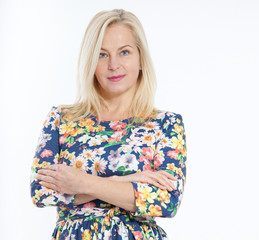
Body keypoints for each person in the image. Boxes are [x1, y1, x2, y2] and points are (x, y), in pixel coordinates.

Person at [30, 9, 187, 240]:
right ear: (90, 61)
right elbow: (41, 192)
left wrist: (80, 183)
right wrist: (125, 180)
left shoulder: (165, 124)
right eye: (102, 55)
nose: (114, 65)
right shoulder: (62, 119)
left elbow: (165, 201)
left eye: (124, 52)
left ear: (141, 58)